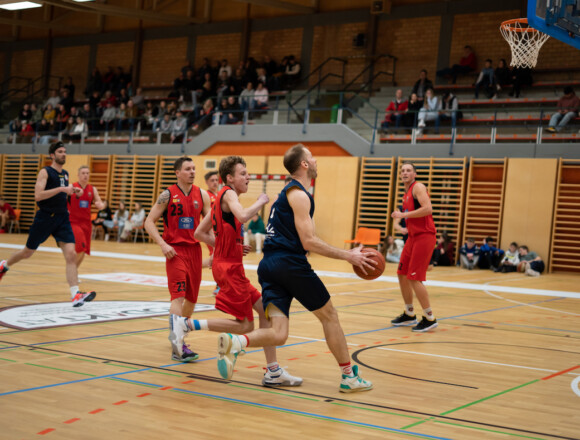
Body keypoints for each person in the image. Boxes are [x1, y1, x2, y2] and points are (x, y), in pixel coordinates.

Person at [212, 145, 374, 392]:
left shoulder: (284, 195)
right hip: (289, 264)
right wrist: (347, 255)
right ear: (304, 165)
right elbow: (309, 241)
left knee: (278, 333)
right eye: (312, 157)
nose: (316, 160)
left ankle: (237, 341)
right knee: (329, 316)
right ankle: (348, 376)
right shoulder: (299, 195)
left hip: (269, 266)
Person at [178, 155, 303, 387]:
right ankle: (187, 324)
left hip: (228, 265)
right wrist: (261, 201)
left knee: (265, 312)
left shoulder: (218, 200)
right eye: (243, 173)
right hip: (229, 270)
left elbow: (199, 234)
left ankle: (273, 371)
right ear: (230, 178)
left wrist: (229, 247)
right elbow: (244, 215)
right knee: (246, 326)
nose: (248, 177)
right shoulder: (229, 194)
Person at [0, 142, 96, 307]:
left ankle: (75, 294)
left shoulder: (65, 174)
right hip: (45, 218)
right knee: (27, 252)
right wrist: (61, 189)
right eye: (60, 152)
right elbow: (38, 196)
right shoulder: (45, 172)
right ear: (52, 155)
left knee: (71, 254)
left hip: (62, 219)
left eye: (65, 151)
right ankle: (4, 265)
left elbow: (64, 194)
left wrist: (74, 192)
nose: (64, 154)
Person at [144, 157, 211, 362]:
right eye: (187, 169)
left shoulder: (202, 195)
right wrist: (163, 244)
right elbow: (148, 222)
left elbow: (211, 226)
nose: (192, 172)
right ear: (177, 172)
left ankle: (179, 336)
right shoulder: (167, 194)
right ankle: (177, 346)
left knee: (191, 300)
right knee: (178, 297)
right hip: (175, 251)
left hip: (195, 251)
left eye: (194, 168)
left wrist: (216, 250)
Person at [390, 162, 438, 332]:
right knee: (402, 274)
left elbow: (428, 209)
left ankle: (429, 317)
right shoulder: (406, 193)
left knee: (414, 278)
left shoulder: (418, 187)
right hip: (412, 237)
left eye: (408, 170)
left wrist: (404, 215)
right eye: (402, 170)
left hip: (424, 236)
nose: (404, 172)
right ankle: (409, 314)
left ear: (414, 174)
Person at [68, 165, 105, 273]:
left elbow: (100, 203)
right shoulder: (72, 187)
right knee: (80, 246)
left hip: (86, 223)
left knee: (84, 250)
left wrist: (100, 205)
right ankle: (72, 271)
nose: (85, 175)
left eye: (87, 173)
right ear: (78, 175)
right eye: (83, 173)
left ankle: (74, 271)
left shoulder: (92, 189)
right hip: (73, 222)